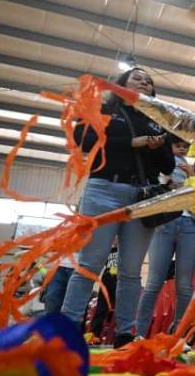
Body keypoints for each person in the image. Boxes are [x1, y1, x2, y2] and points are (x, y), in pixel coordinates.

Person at [60, 67, 175, 348]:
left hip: (142, 198)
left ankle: (124, 333)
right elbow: (82, 140)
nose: (145, 82)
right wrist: (132, 143)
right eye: (138, 77)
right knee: (90, 263)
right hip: (103, 190)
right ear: (122, 83)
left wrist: (158, 146)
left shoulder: (157, 120)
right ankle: (68, 328)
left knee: (131, 271)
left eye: (149, 81)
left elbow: (168, 166)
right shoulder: (105, 110)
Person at [135, 136, 195, 337]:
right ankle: (139, 332)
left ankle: (179, 334)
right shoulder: (164, 163)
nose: (182, 149)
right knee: (154, 282)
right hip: (165, 222)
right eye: (178, 146)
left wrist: (192, 177)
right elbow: (159, 184)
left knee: (184, 285)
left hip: (192, 226)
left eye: (185, 147)